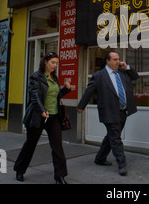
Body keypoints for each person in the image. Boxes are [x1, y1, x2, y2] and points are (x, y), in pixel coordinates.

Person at [77, 51, 139, 176]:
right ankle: (122, 164)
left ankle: (100, 158)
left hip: (123, 111)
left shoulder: (122, 72)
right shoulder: (99, 76)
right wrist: (81, 106)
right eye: (115, 59)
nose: (118, 61)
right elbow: (89, 91)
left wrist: (126, 66)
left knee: (111, 136)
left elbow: (135, 76)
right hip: (109, 112)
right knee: (115, 138)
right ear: (108, 61)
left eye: (118, 59)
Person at [14, 52, 72, 184]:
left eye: (56, 63)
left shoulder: (54, 78)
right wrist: (42, 110)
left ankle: (60, 176)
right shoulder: (36, 77)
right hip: (38, 116)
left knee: (57, 147)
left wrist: (66, 89)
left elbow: (55, 96)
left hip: (54, 116)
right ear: (45, 62)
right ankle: (20, 170)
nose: (55, 65)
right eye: (52, 62)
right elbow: (34, 96)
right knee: (30, 144)